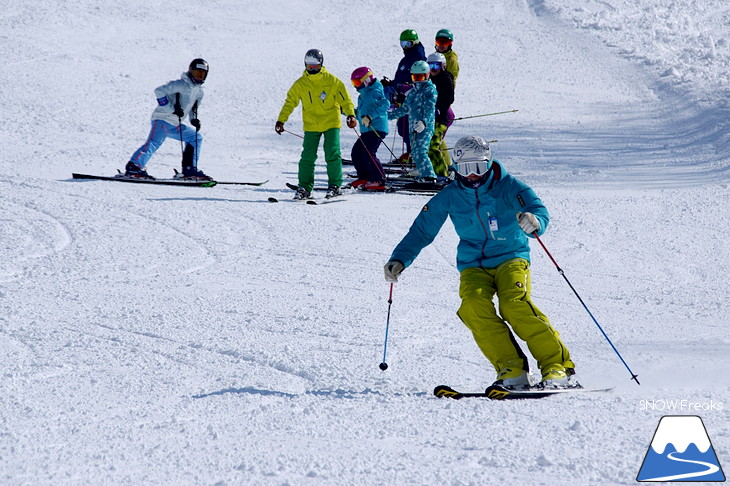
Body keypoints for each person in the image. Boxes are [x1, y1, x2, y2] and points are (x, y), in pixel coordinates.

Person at [383, 136, 579, 389]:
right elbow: (422, 230)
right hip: (473, 264)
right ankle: (512, 369)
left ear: (489, 163)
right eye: (465, 169)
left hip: (511, 256)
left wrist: (535, 220)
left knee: (514, 305)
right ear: (455, 167)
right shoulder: (450, 196)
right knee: (473, 306)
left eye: (479, 167)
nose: (473, 175)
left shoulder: (509, 186)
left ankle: (557, 367)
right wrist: (399, 258)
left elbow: (536, 208)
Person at [275, 49, 356, 200]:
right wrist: (281, 120)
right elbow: (290, 102)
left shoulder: (332, 81)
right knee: (307, 156)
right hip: (311, 125)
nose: (312, 69)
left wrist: (351, 115)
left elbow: (345, 100)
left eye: (315, 66)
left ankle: (335, 186)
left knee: (332, 154)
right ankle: (305, 188)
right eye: (309, 66)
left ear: (321, 64)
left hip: (331, 122)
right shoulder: (301, 84)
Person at [127, 58, 210, 180]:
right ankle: (134, 167)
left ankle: (189, 169)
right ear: (190, 71)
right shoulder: (181, 84)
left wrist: (193, 120)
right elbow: (159, 91)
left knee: (195, 137)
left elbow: (194, 108)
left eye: (202, 74)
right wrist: (171, 109)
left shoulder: (199, 92)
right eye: (197, 73)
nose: (199, 77)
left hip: (175, 124)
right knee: (154, 142)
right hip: (162, 119)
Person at [387, 61, 437, 180]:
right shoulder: (413, 93)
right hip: (413, 128)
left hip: (425, 127)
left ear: (427, 75)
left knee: (420, 151)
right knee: (414, 153)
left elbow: (430, 109)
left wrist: (424, 122)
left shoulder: (430, 90)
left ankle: (430, 176)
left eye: (420, 77)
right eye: (415, 77)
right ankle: (421, 171)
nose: (417, 80)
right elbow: (404, 109)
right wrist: (386, 116)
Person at [384, 29, 427, 160]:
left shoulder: (419, 59)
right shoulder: (405, 60)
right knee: (403, 128)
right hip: (402, 98)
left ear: (415, 42)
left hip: (412, 99)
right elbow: (401, 79)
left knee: (410, 128)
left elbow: (417, 80)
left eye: (408, 44)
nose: (405, 47)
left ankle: (414, 155)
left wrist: (406, 89)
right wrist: (391, 84)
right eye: (402, 44)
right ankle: (410, 154)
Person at [349, 67, 389, 191]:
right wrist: (347, 112)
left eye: (357, 82)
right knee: (356, 152)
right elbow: (360, 113)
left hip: (376, 128)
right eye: (353, 83)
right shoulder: (363, 96)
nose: (356, 86)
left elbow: (385, 104)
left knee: (368, 153)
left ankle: (379, 179)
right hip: (366, 130)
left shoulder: (375, 91)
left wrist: (370, 116)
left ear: (365, 80)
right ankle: (364, 177)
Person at [425, 52, 454, 178]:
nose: (433, 70)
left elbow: (449, 98)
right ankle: (447, 166)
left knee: (432, 144)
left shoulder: (445, 79)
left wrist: (438, 108)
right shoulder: (429, 79)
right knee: (438, 142)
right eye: (430, 66)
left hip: (442, 117)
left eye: (436, 66)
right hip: (433, 117)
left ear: (443, 66)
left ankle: (442, 173)